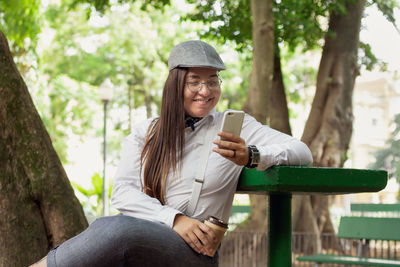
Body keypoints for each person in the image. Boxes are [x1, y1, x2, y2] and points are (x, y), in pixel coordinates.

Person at [31, 40, 313, 267]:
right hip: (149, 240)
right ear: (176, 84)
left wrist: (251, 155)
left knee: (114, 231)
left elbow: (302, 151)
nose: (205, 90)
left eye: (213, 81)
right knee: (111, 232)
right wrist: (176, 220)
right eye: (195, 81)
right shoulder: (147, 132)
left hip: (195, 253)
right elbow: (122, 193)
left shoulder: (235, 127)